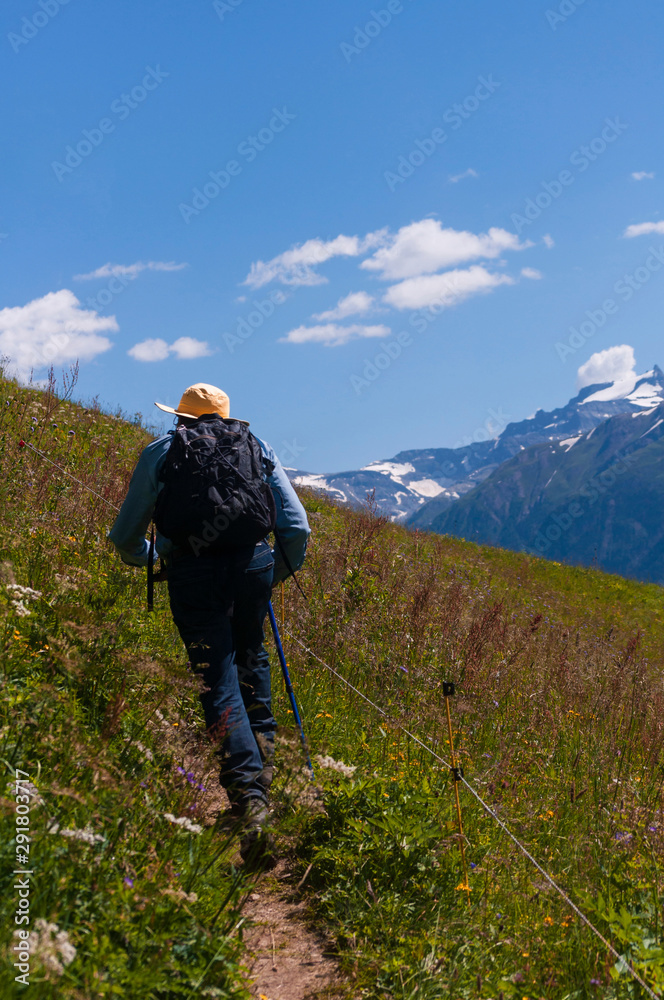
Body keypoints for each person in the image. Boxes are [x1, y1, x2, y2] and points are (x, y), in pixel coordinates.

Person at [108, 383, 310, 859]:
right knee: (251, 658)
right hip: (253, 565)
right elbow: (296, 526)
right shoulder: (256, 447)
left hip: (192, 571)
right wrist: (272, 574)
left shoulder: (162, 451)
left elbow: (125, 538)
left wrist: (154, 556)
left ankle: (249, 801)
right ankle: (267, 781)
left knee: (216, 677)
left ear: (182, 418)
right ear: (224, 417)